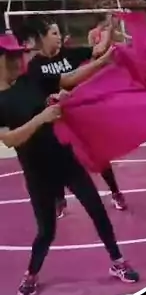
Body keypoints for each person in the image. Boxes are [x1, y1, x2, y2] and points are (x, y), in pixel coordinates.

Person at [0, 34, 139, 295]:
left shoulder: (32, 79)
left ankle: (118, 261)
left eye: (19, 55)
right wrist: (42, 118)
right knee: (46, 230)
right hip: (37, 172)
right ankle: (31, 273)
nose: (18, 60)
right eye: (11, 56)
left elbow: (70, 78)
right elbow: (9, 139)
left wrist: (103, 61)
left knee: (97, 209)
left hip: (65, 159)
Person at [25, 18, 127, 216]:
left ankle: (115, 192)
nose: (59, 37)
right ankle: (59, 198)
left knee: (97, 153)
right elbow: (57, 84)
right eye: (54, 33)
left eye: (59, 33)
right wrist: (52, 98)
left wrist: (109, 29)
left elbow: (98, 50)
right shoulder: (35, 66)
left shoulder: (69, 54)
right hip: (55, 118)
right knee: (55, 158)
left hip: (79, 116)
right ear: (42, 37)